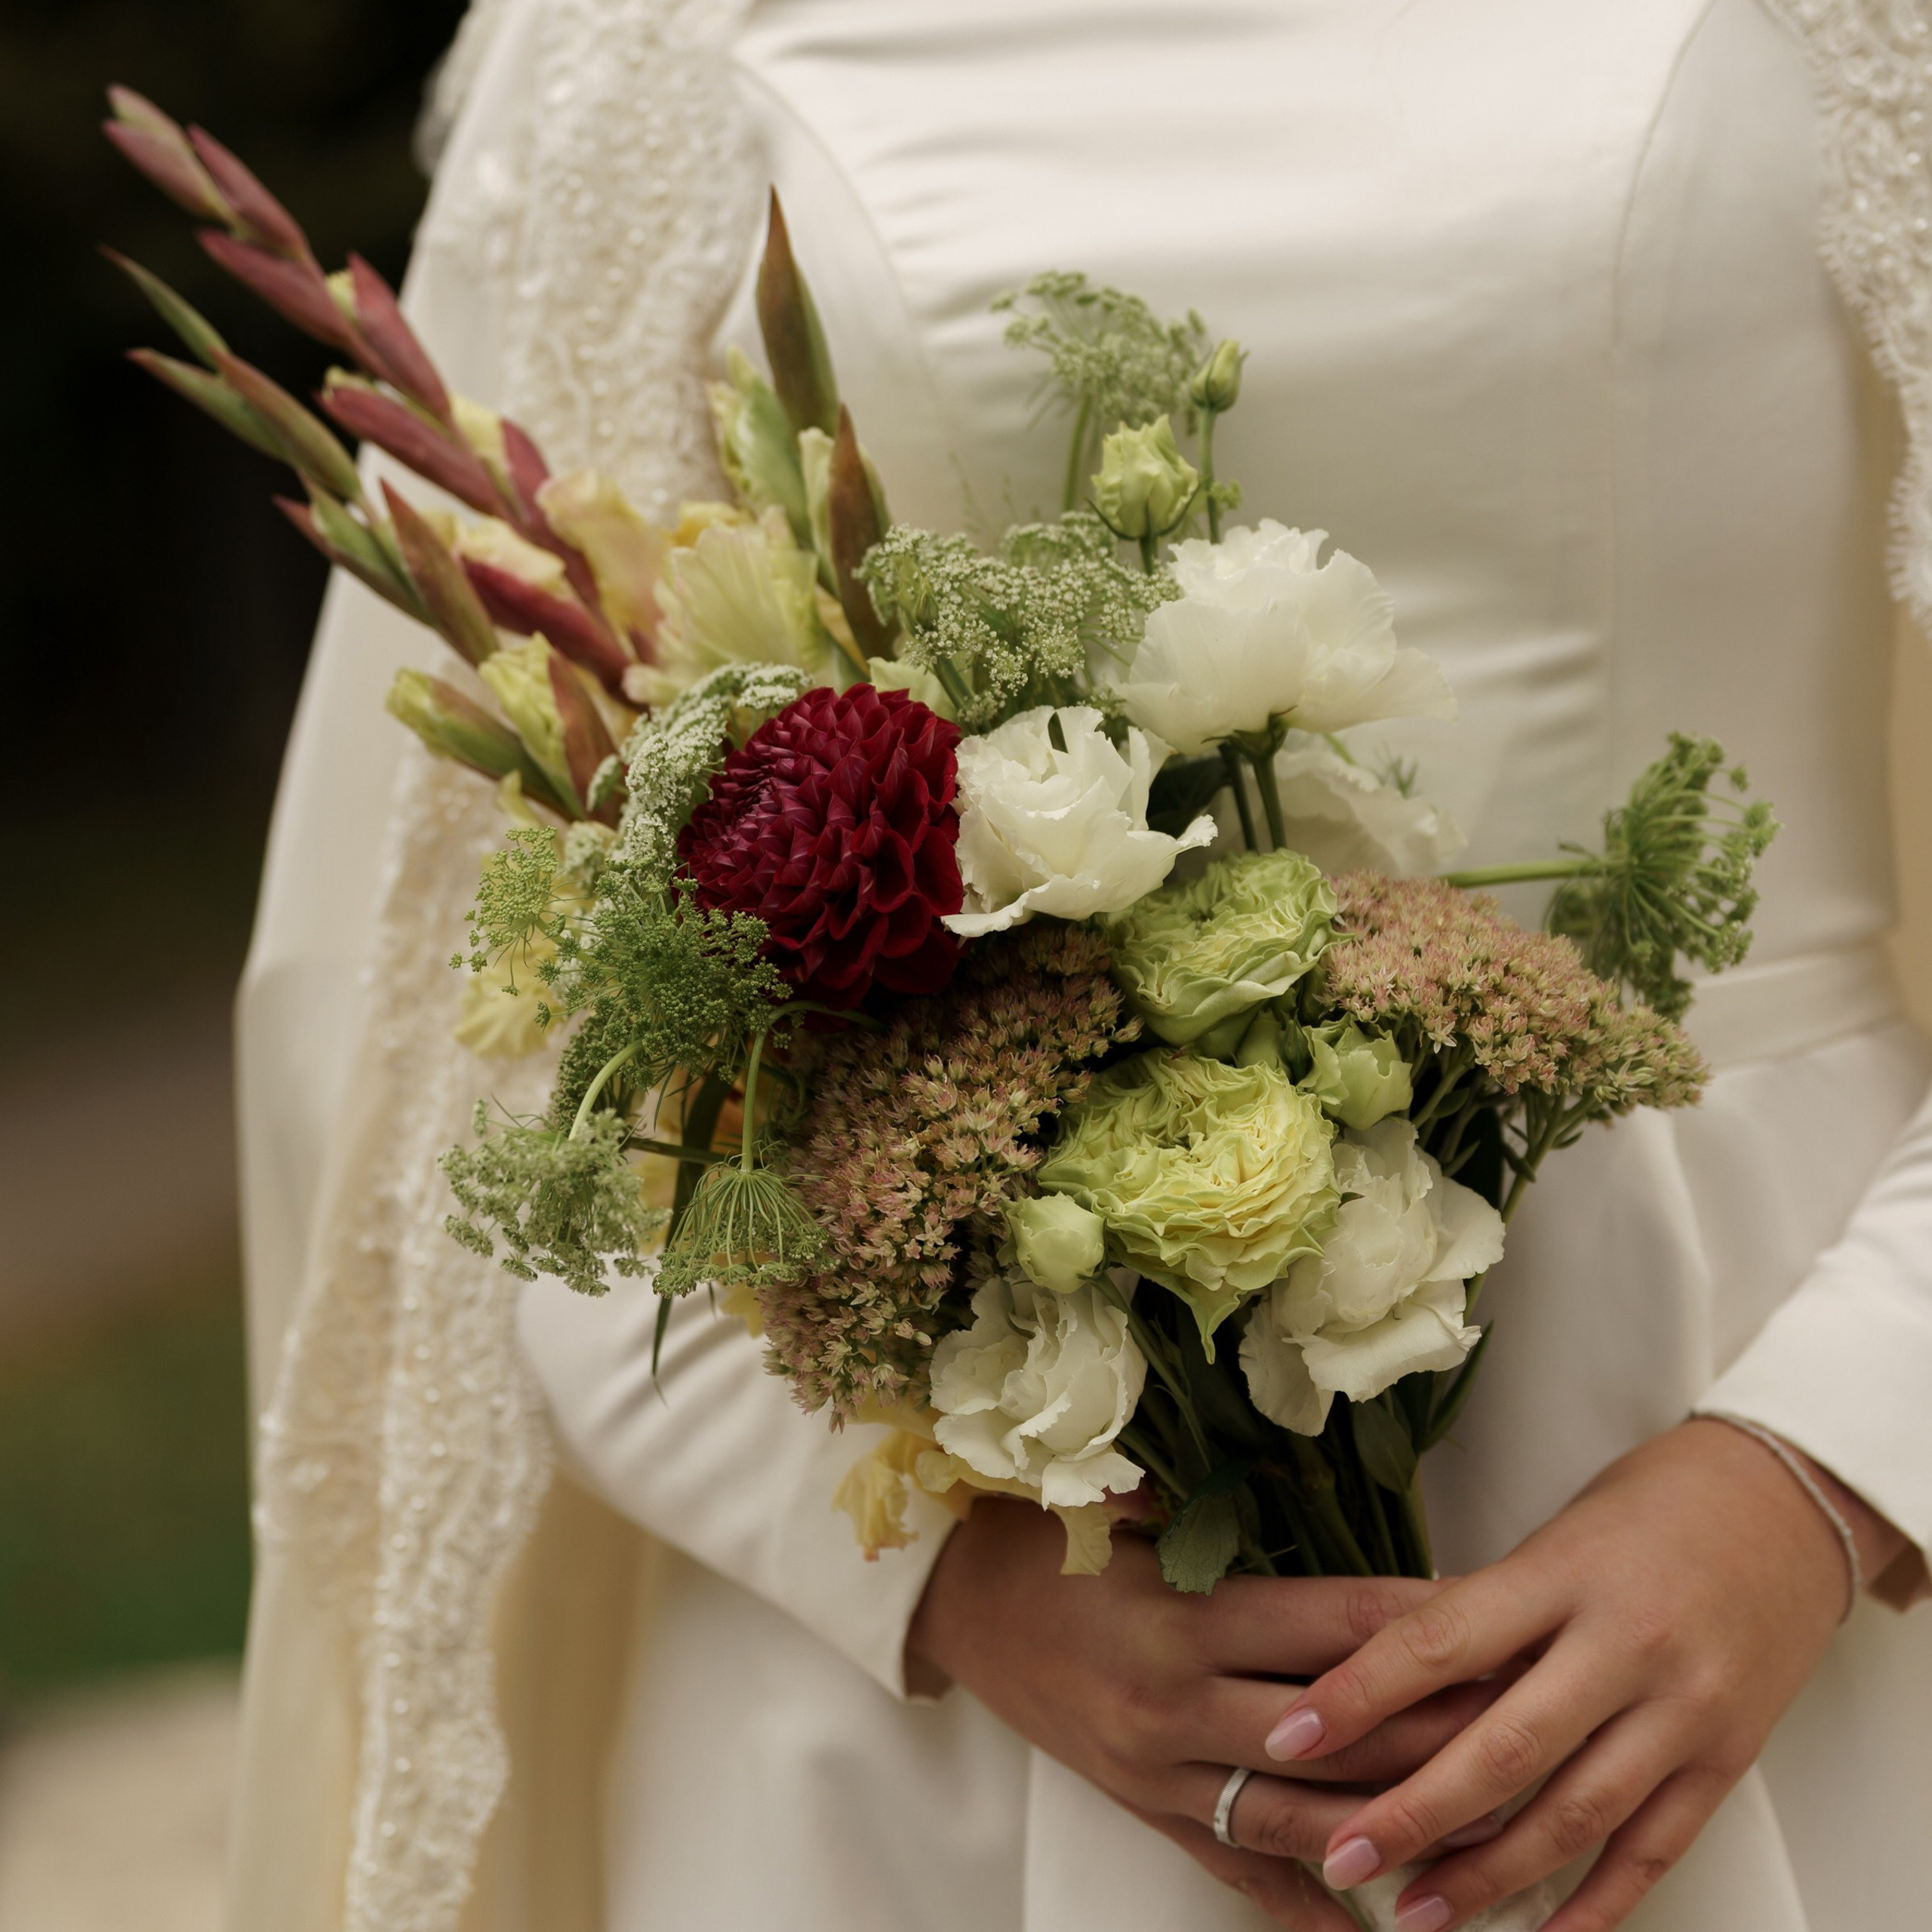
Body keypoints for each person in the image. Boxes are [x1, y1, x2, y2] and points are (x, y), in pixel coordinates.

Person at [226, 2, 1932, 1928]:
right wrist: (946, 1585)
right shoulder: (637, 41)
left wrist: (1823, 1469)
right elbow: (487, 968)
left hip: (1780, 1456)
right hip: (972, 1578)